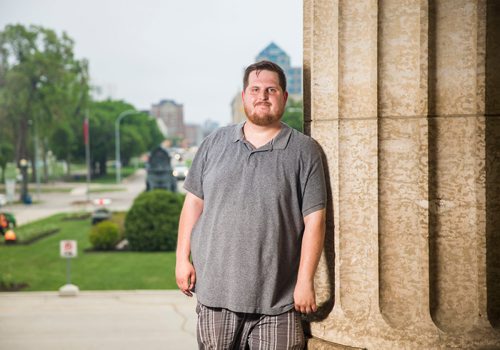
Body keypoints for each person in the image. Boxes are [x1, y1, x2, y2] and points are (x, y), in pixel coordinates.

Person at [176, 60, 326, 349]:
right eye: (255, 89)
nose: (263, 96)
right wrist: (182, 259)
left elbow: (315, 221)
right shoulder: (214, 143)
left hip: (278, 301)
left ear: (283, 96)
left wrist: (305, 281)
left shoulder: (304, 151)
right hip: (216, 296)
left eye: (271, 89)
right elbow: (193, 203)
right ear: (244, 96)